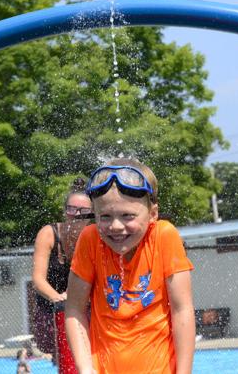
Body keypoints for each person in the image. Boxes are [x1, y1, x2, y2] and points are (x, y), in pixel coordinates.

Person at [65, 158, 195, 374]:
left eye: (128, 216)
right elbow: (74, 309)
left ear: (152, 214)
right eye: (105, 216)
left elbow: (182, 310)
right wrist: (86, 369)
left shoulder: (164, 236)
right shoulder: (90, 239)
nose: (116, 226)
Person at [32, 177, 92, 359]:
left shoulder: (97, 235)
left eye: (83, 210)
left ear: (92, 212)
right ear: (65, 211)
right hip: (51, 310)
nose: (76, 214)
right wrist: (58, 299)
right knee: (64, 356)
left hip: (83, 307)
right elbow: (38, 279)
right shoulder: (49, 233)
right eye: (71, 209)